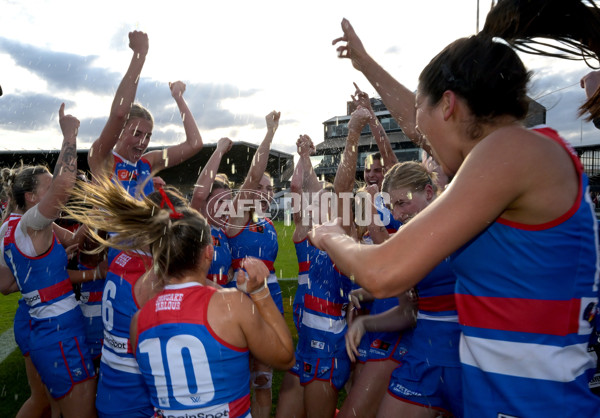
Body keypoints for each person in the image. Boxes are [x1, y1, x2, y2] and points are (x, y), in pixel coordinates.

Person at [310, 17, 600, 417]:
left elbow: (382, 272)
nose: (418, 135)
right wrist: (364, 63)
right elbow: (421, 123)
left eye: (419, 109)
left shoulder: (512, 151)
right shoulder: (511, 157)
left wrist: (329, 235)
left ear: (448, 105)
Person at [63, 176, 295, 418]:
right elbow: (285, 357)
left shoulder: (139, 320)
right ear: (208, 253)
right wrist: (260, 292)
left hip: (117, 393)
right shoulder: (230, 305)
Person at [0, 105, 96, 417]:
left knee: (55, 407)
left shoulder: (18, 225)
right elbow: (64, 184)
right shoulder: (30, 222)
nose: (54, 189)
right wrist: (70, 135)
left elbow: (7, 284)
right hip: (56, 329)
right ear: (30, 197)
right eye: (46, 185)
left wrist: (44, 273)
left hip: (46, 324)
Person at [346, 161, 462, 417]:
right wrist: (365, 324)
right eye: (391, 207)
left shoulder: (464, 227)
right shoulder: (408, 241)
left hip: (466, 360)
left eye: (402, 203)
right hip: (423, 357)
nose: (397, 215)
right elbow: (408, 312)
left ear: (429, 193)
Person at [88, 30, 203, 200]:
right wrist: (140, 55)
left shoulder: (149, 162)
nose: (143, 142)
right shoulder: (103, 157)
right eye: (137, 134)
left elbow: (195, 144)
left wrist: (178, 98)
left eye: (148, 136)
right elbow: (119, 113)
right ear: (119, 133)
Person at [225, 110, 281, 418]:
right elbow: (250, 177)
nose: (266, 192)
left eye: (270, 188)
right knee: (239, 375)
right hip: (243, 302)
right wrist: (270, 134)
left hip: (270, 301)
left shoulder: (268, 223)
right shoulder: (237, 218)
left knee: (263, 380)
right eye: (261, 187)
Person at [275, 134, 322, 418]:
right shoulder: (305, 228)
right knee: (310, 364)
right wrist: (304, 156)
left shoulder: (333, 229)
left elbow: (312, 188)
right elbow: (297, 185)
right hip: (313, 303)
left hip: (324, 304)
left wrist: (307, 158)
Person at [190, 137, 234, 287]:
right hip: (201, 301)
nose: (225, 207)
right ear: (205, 203)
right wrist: (219, 151)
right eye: (220, 201)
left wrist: (231, 269)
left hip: (219, 303)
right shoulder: (197, 225)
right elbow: (199, 194)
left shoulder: (223, 231)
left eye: (228, 202)